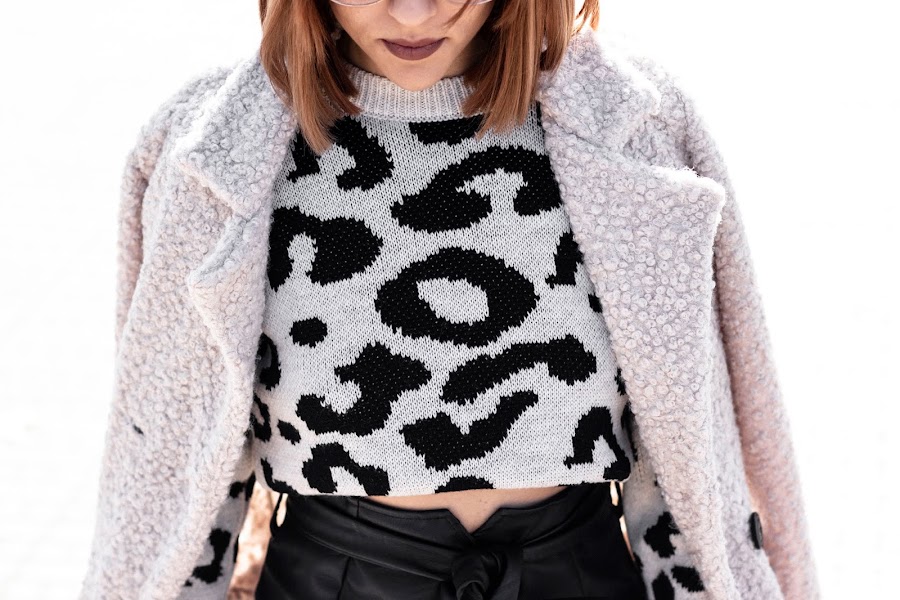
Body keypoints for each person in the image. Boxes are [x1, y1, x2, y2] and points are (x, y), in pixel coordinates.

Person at [78, 1, 820, 599]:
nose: (412, 12)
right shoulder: (216, 149)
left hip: (582, 574)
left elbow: (695, 475)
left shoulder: (634, 127)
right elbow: (172, 484)